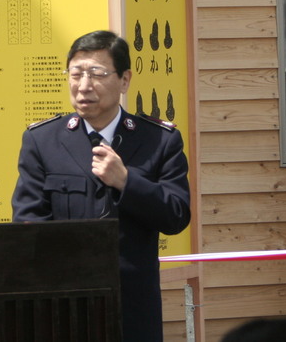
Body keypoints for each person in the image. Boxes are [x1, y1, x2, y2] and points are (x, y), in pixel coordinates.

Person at [11, 29, 191, 342]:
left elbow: (176, 215)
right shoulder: (42, 141)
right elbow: (28, 224)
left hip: (132, 308)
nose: (83, 86)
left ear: (124, 80)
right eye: (75, 74)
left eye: (96, 74)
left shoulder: (159, 141)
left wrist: (127, 182)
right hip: (63, 306)